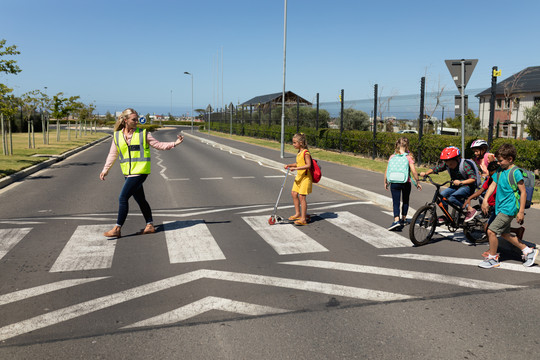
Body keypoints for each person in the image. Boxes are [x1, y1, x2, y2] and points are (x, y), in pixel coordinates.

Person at [100, 108, 184, 238]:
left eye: (137, 119)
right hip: (127, 173)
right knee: (140, 199)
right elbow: (113, 154)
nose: (136, 121)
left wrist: (175, 143)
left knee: (123, 198)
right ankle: (149, 225)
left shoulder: (143, 133)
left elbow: (158, 145)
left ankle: (117, 228)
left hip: (140, 171)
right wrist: (105, 169)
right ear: (125, 120)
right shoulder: (117, 136)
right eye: (134, 119)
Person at [478, 143, 538, 268]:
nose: (498, 163)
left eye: (501, 161)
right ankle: (528, 251)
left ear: (510, 159)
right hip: (501, 207)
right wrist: (485, 200)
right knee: (505, 234)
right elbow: (493, 185)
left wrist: (521, 211)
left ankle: (493, 258)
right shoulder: (500, 171)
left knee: (491, 230)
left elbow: (523, 193)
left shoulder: (515, 172)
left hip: (509, 208)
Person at [420, 146, 478, 214]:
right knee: (442, 195)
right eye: (447, 164)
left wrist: (461, 182)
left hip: (467, 186)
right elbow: (436, 168)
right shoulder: (447, 164)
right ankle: (446, 215)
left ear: (457, 159)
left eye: (451, 164)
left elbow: (473, 179)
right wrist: (426, 173)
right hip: (456, 186)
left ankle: (470, 209)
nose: (449, 166)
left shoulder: (464, 165)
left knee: (452, 198)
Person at [384, 137, 422, 230]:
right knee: (405, 200)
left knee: (395, 202)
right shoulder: (408, 157)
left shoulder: (392, 157)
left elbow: (387, 170)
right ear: (407, 145)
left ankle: (396, 220)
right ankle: (404, 219)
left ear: (397, 145)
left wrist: (385, 181)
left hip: (394, 181)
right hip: (406, 182)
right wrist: (417, 181)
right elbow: (413, 170)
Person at [284, 133, 312, 226]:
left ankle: (303, 219)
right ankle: (298, 214)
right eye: (293, 142)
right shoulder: (299, 152)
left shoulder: (306, 152)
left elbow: (308, 165)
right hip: (299, 177)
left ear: (300, 143)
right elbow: (298, 163)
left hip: (305, 178)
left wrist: (296, 169)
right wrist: (289, 165)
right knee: (294, 193)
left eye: (295, 143)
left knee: (302, 197)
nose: (293, 144)